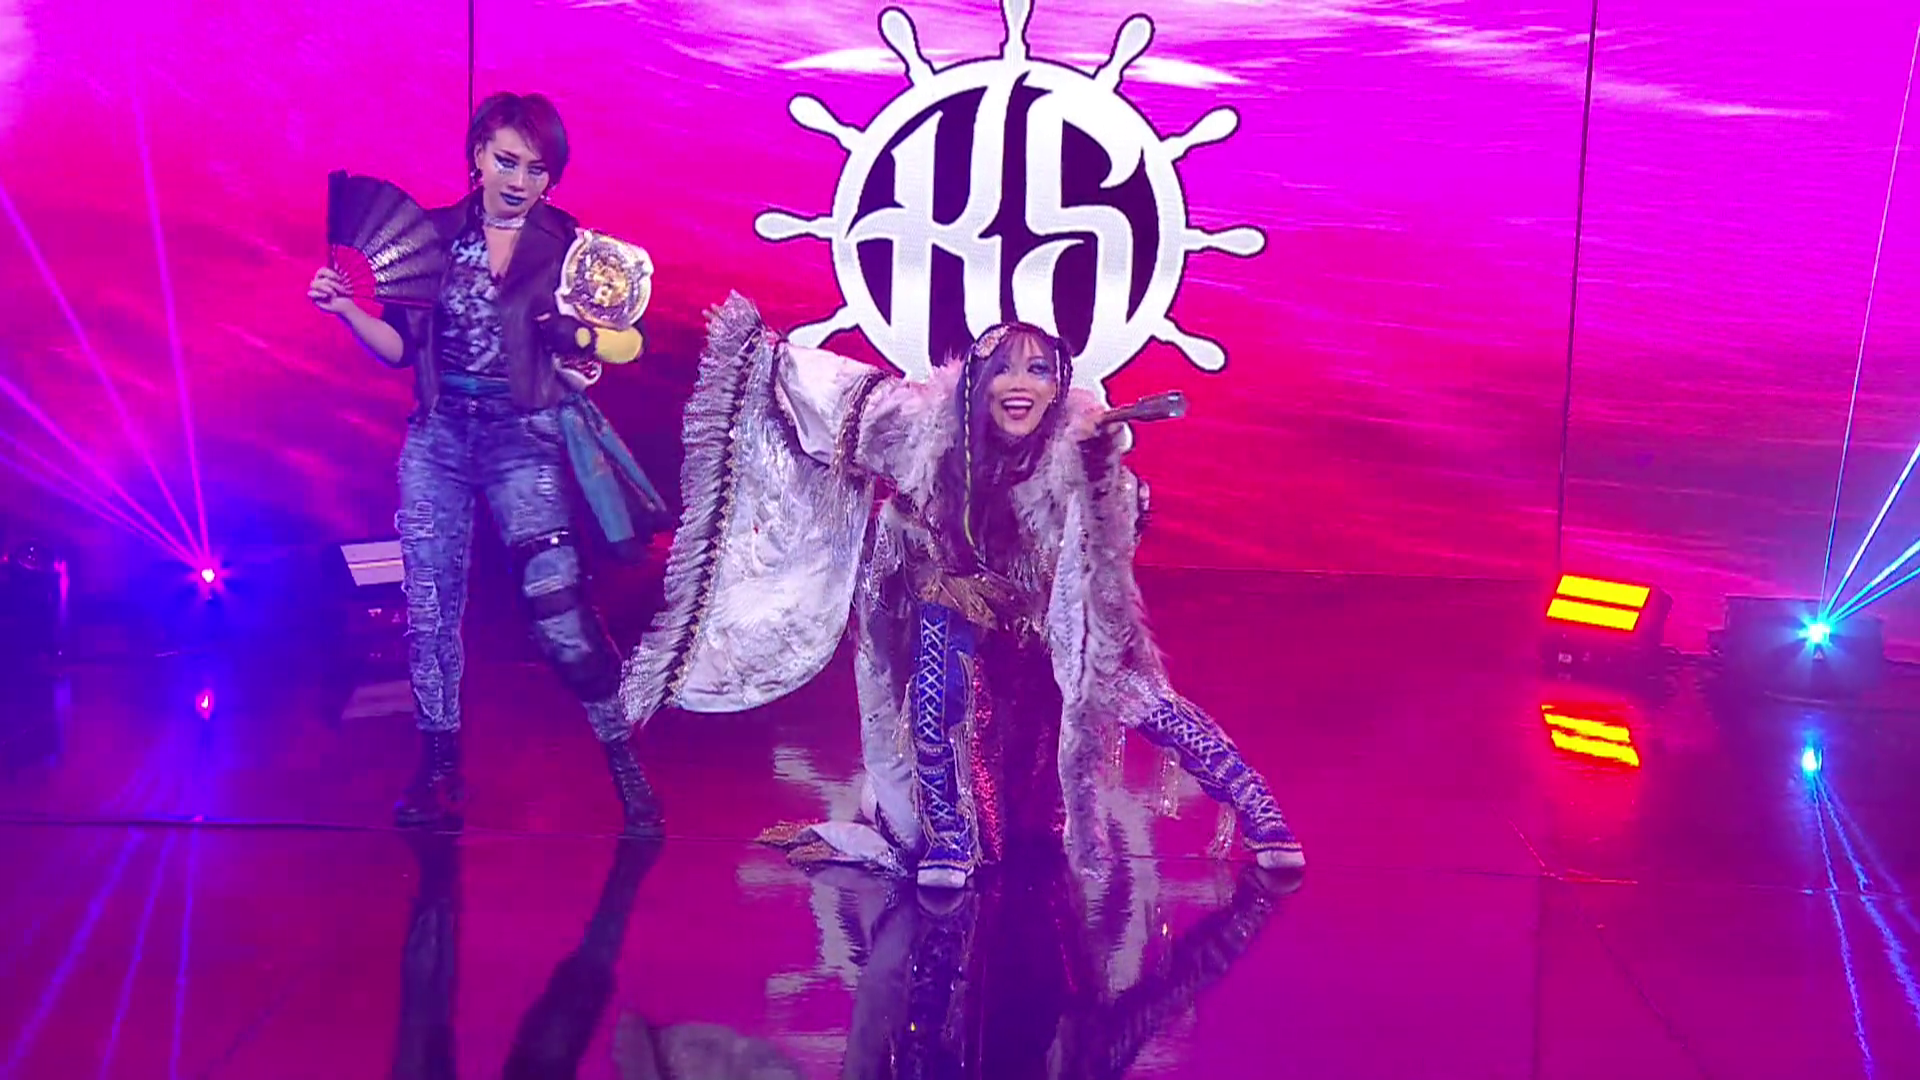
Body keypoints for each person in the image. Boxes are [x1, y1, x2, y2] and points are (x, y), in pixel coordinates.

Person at [621, 294, 1302, 888]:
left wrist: (1098, 472)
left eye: (1039, 370)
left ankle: (1258, 808)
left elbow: (1115, 532)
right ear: (976, 380)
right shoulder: (924, 425)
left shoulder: (1078, 449)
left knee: (1132, 691)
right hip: (943, 592)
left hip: (1044, 610)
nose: (1019, 384)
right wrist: (759, 352)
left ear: (1058, 387)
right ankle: (948, 835)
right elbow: (827, 396)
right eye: (1004, 368)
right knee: (937, 675)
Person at [307, 92, 664, 837]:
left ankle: (626, 766)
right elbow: (400, 351)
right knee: (430, 612)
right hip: (438, 439)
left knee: (560, 613)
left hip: (522, 437)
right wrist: (348, 312)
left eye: (536, 169)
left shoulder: (570, 248)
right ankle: (439, 769)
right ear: (477, 156)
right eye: (506, 161)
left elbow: (629, 340)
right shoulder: (433, 238)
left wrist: (581, 341)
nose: (519, 180)